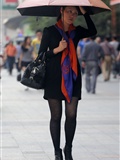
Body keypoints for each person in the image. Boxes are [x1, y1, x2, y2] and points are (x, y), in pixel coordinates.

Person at [38, 6, 97, 160]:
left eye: (75, 13)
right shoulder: (49, 31)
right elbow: (41, 56)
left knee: (71, 115)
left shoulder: (76, 31)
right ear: (61, 11)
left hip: (73, 77)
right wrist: (57, 50)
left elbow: (93, 31)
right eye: (69, 11)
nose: (72, 15)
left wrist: (85, 12)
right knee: (56, 116)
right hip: (53, 79)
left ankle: (68, 149)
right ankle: (57, 152)